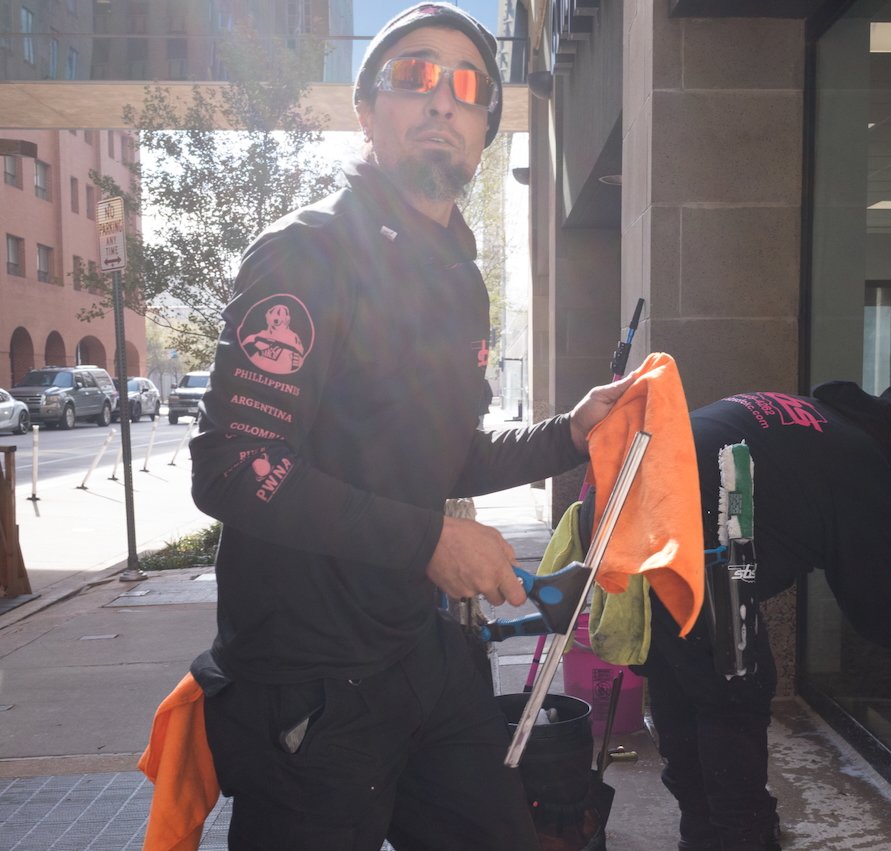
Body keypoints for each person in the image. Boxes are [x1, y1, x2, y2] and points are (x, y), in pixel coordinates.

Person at [187, 5, 633, 848]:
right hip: (309, 684)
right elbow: (236, 466)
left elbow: (446, 453)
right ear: (367, 111)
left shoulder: (460, 282)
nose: (443, 100)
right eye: (415, 76)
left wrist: (567, 434)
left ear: (483, 131)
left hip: (419, 657)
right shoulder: (305, 254)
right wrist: (428, 540)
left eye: (468, 86)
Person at [633, 380, 891, 851]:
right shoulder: (864, 461)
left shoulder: (803, 416)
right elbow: (869, 596)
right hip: (704, 554)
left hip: (632, 523)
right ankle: (741, 838)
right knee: (733, 695)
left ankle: (701, 833)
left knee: (680, 683)